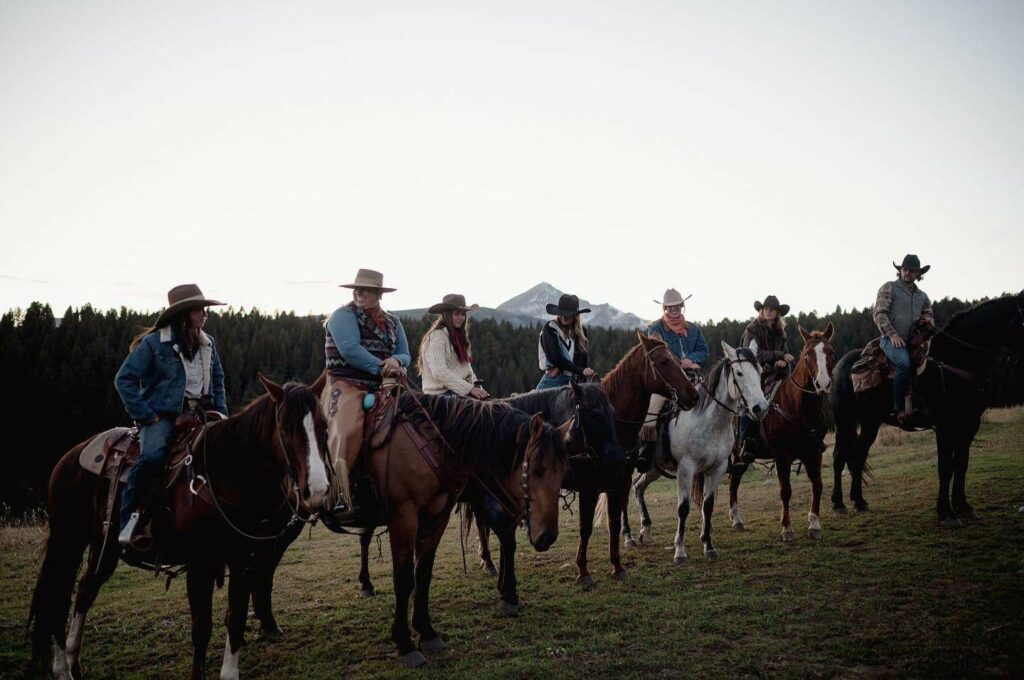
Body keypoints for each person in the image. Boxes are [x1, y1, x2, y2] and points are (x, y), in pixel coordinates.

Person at [115, 284, 228, 548]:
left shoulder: (208, 343)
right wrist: (148, 416)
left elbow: (219, 381)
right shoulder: (154, 344)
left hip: (202, 413)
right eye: (199, 310)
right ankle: (131, 521)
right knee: (152, 458)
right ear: (184, 313)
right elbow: (124, 380)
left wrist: (222, 413)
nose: (204, 314)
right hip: (162, 417)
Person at [322, 268, 410, 521]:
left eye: (366, 290)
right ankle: (338, 492)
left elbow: (405, 353)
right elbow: (350, 349)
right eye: (357, 289)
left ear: (378, 294)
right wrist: (382, 367)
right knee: (348, 426)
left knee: (418, 414)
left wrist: (395, 360)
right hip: (347, 384)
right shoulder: (342, 316)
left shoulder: (393, 322)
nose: (359, 293)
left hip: (385, 384)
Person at [636, 289, 709, 471]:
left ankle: (719, 449)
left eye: (676, 306)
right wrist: (678, 363)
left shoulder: (693, 329)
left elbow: (704, 350)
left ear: (682, 306)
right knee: (653, 407)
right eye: (670, 307)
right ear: (665, 308)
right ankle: (647, 449)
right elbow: (660, 354)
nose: (674, 310)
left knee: (713, 400)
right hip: (667, 380)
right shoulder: (656, 328)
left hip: (692, 376)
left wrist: (692, 359)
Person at [873, 254, 935, 423]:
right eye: (904, 269)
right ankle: (898, 408)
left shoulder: (923, 296)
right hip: (890, 339)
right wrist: (892, 334)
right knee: (904, 363)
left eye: (912, 270)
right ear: (900, 270)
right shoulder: (889, 287)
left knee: (934, 362)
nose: (907, 272)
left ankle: (926, 405)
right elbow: (879, 313)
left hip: (915, 341)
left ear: (918, 274)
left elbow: (929, 316)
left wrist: (927, 322)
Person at [737, 295, 794, 461]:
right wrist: (779, 356)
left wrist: (783, 360)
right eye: (766, 308)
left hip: (775, 374)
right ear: (761, 311)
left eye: (772, 309)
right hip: (753, 373)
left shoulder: (780, 333)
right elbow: (753, 354)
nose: (769, 312)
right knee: (750, 401)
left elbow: (785, 353)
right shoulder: (752, 329)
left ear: (777, 313)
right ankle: (747, 441)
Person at [418, 293, 489, 399]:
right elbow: (439, 372)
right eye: (457, 314)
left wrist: (477, 387)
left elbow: (467, 369)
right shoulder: (437, 336)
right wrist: (469, 389)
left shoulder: (459, 338)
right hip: (440, 395)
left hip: (458, 391)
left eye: (463, 314)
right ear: (447, 314)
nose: (461, 318)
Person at [536, 293, 595, 389]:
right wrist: (580, 370)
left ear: (575, 316)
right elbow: (555, 357)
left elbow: (583, 361)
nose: (563, 317)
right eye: (561, 313)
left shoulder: (582, 332)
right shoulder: (550, 328)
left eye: (567, 315)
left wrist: (582, 375)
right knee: (535, 401)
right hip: (554, 379)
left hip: (574, 381)